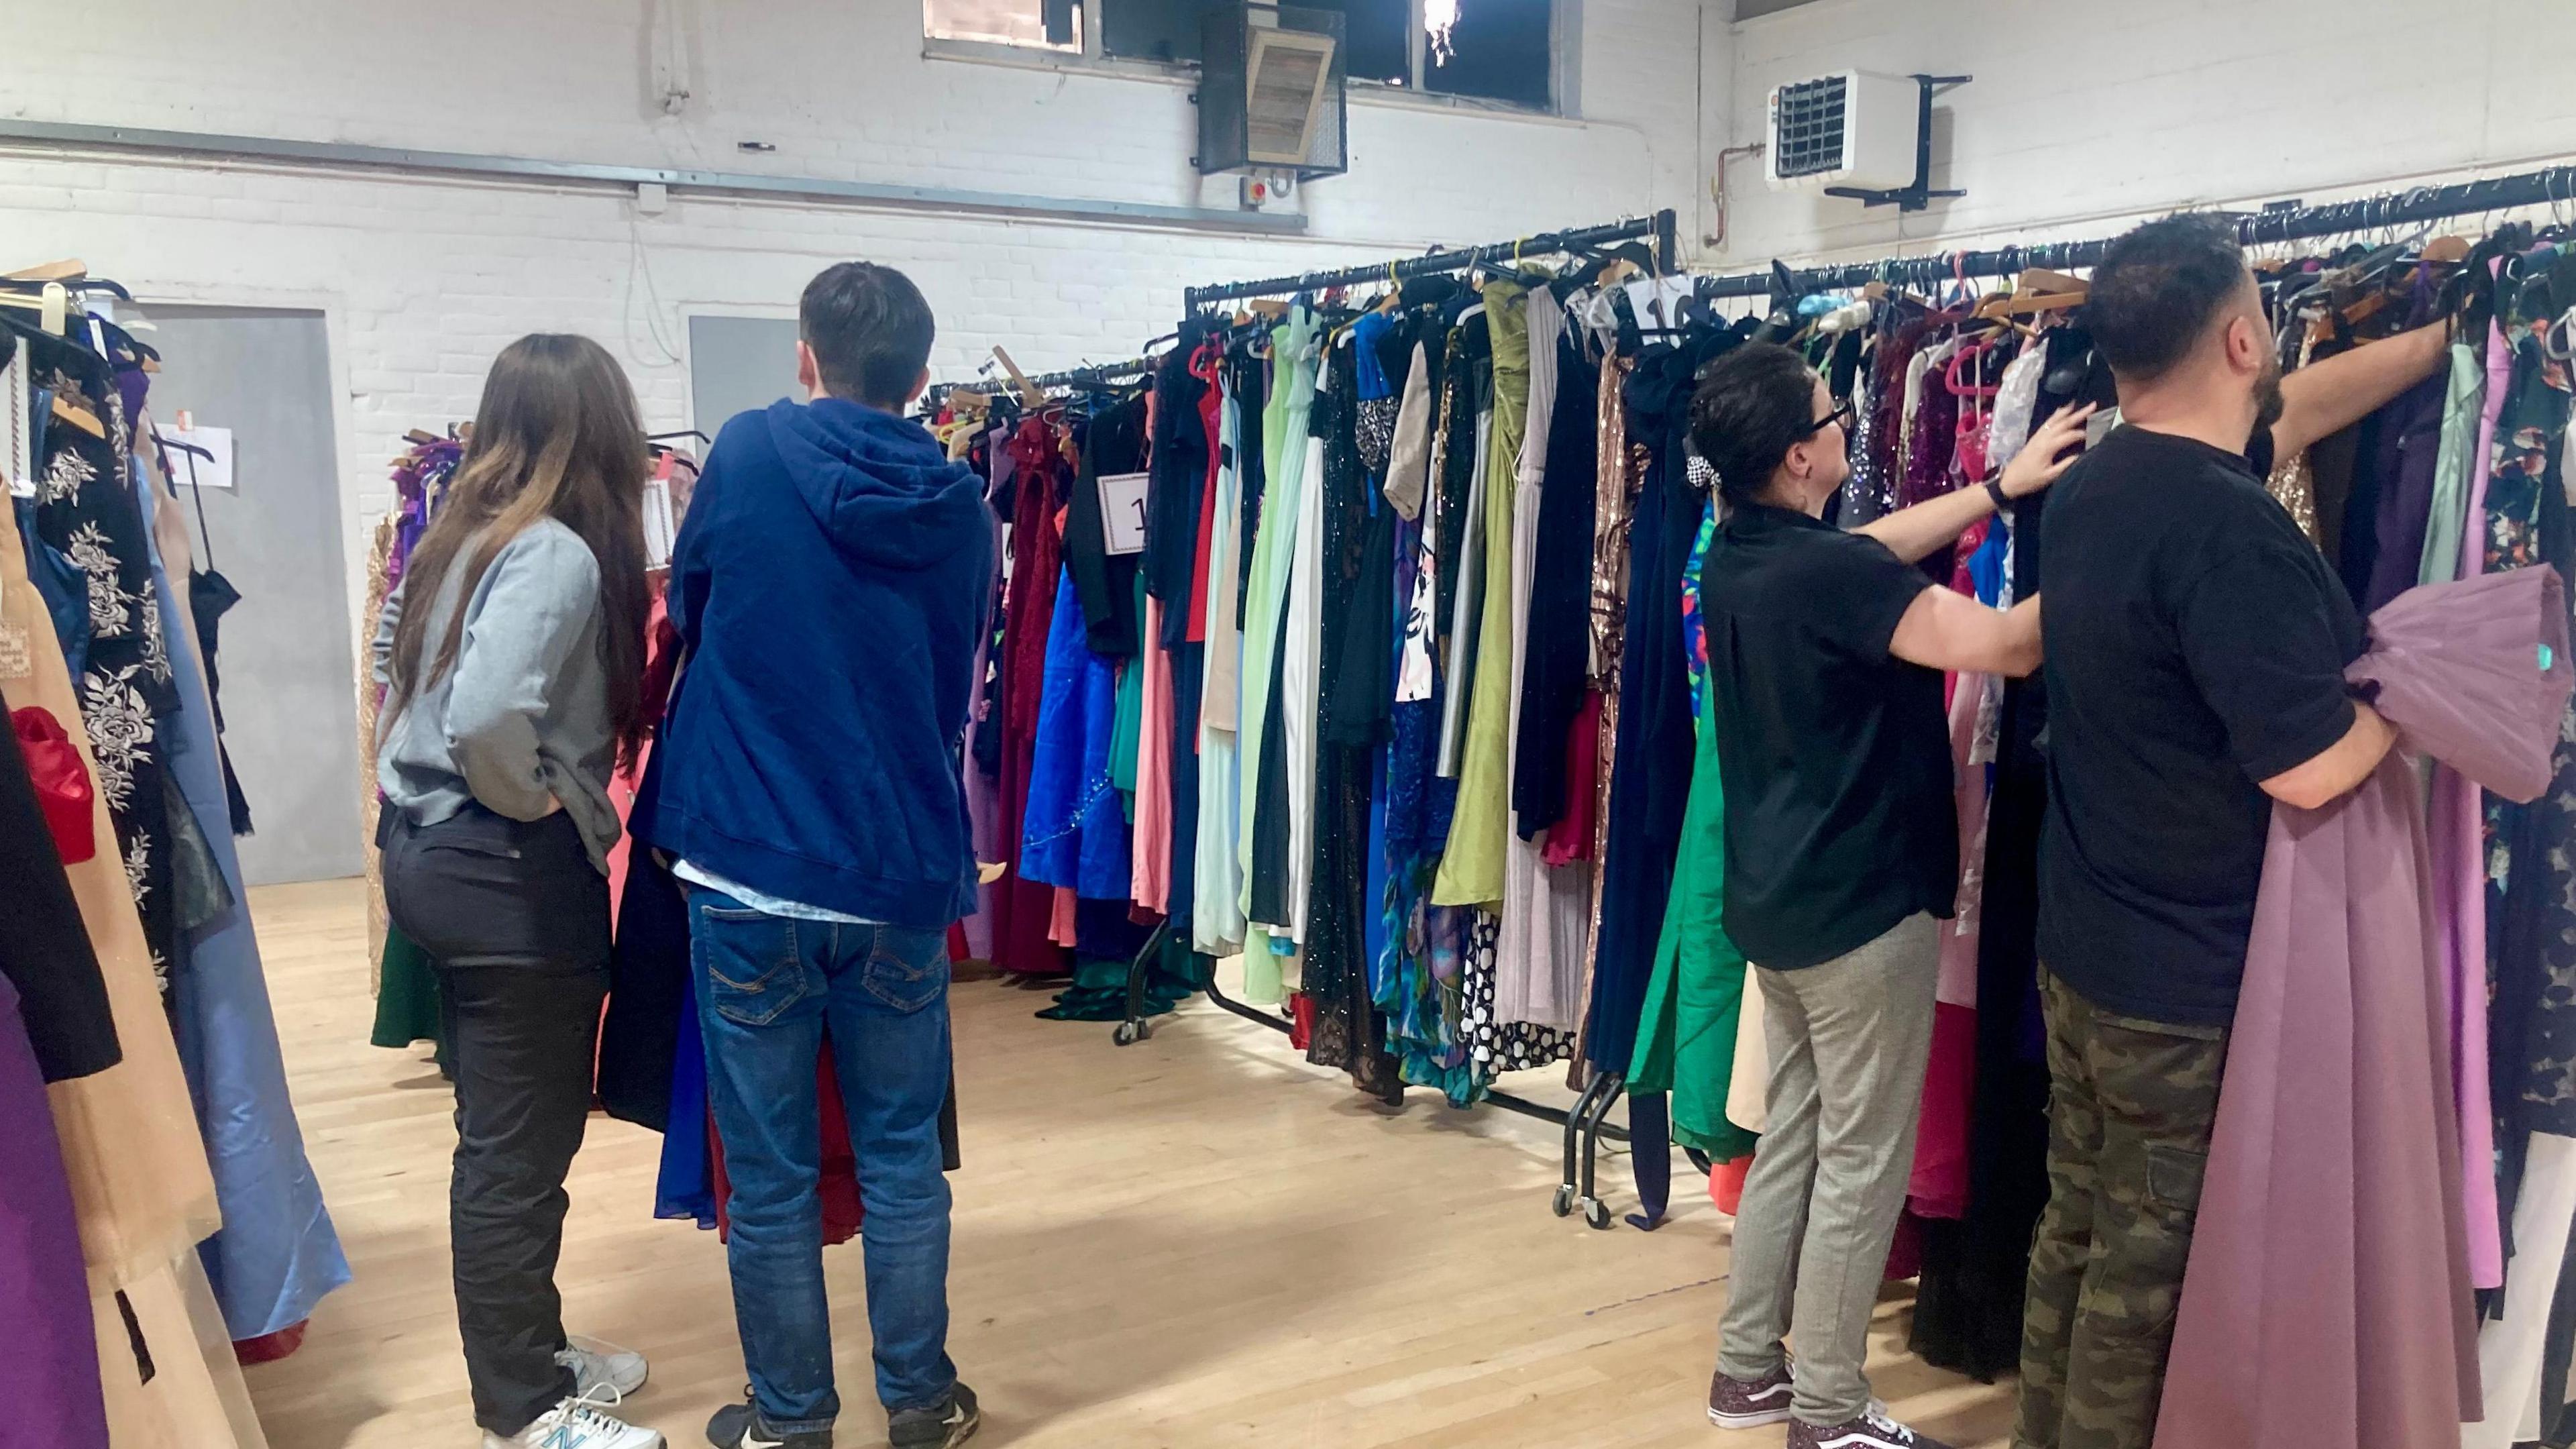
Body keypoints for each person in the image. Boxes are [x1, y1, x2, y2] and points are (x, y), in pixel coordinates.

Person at [2016, 213, 2448, 1449]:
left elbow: (2288, 416)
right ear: (2245, 336)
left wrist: (2437, 350)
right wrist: (2414, 696)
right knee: (2148, 1293)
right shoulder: (2225, 528)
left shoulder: (2097, 483)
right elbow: (2310, 769)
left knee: (2079, 1236)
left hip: (2091, 948)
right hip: (2184, 989)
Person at [1695, 341, 2096, 1449]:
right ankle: (1827, 1408)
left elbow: (1871, 550)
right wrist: (2117, 533)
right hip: (1863, 911)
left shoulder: (1744, 553)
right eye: (1834, 416)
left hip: (1780, 908)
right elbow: (2012, 646)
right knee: (1862, 1161)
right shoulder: (1835, 578)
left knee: (1796, 1139)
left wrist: (1999, 490)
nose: (1846, 425)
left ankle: (1746, 1373)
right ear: (1800, 456)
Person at [632, 262, 993, 1449]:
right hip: (894, 871)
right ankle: (921, 1404)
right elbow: (951, 690)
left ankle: (793, 1423)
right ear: (924, 379)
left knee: (775, 1173)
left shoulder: (743, 457)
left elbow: (690, 606)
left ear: (805, 354)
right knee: (900, 1159)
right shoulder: (963, 509)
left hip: (749, 867)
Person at [374, 333, 662, 1449]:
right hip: (503, 866)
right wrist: (540, 800)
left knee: (508, 1134)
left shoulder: (461, 536)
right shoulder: (554, 554)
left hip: (435, 853)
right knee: (517, 1149)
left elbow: (403, 688)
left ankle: (534, 1355)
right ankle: (524, 1408)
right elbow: (489, 712)